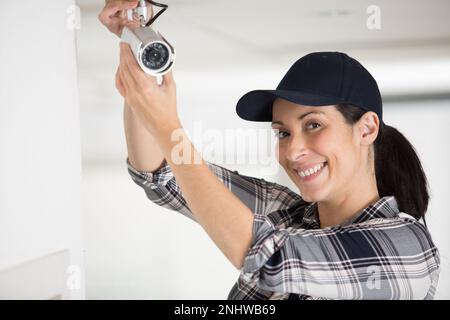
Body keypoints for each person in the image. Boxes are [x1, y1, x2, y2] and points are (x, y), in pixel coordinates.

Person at [99, 0, 440, 299]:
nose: (293, 151)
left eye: (313, 125)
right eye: (283, 133)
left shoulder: (408, 251)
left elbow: (269, 258)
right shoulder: (286, 213)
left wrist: (167, 125)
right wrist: (136, 44)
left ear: (366, 129)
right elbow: (161, 174)